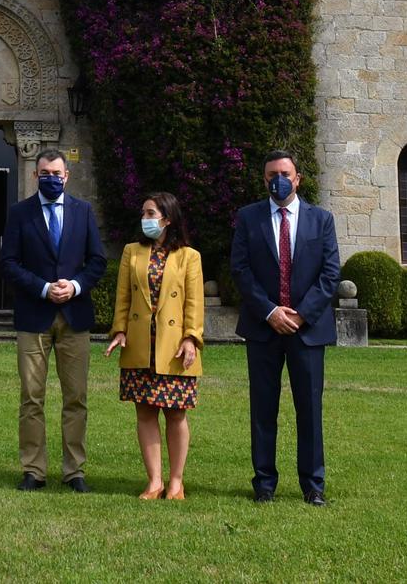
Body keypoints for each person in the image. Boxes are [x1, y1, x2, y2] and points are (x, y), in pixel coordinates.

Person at [231, 150, 340, 505]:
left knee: (309, 409)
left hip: (307, 331)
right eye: (271, 174)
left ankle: (313, 485)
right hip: (263, 328)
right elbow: (241, 271)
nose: (278, 179)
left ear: (297, 178)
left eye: (284, 173)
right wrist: (270, 312)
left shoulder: (321, 219)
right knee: (263, 408)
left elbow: (330, 272)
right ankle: (264, 482)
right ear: (264, 180)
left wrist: (301, 314)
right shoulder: (248, 218)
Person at [0, 147, 107, 492]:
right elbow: (9, 263)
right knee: (32, 397)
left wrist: (74, 286)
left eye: (57, 174)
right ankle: (34, 470)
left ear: (67, 176)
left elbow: (97, 261)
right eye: (44, 173)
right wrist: (44, 288)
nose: (51, 178)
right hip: (34, 315)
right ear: (35, 175)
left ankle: (74, 471)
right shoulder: (20, 213)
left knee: (75, 397)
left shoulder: (83, 211)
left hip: (75, 317)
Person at [105, 192, 205, 500]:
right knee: (145, 412)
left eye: (151, 213)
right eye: (144, 213)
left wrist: (191, 338)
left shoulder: (190, 256)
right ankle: (154, 481)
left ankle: (176, 482)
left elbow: (194, 302)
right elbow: (123, 297)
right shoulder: (131, 252)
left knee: (176, 413)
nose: (145, 219)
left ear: (167, 219)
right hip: (139, 344)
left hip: (174, 347)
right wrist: (119, 330)